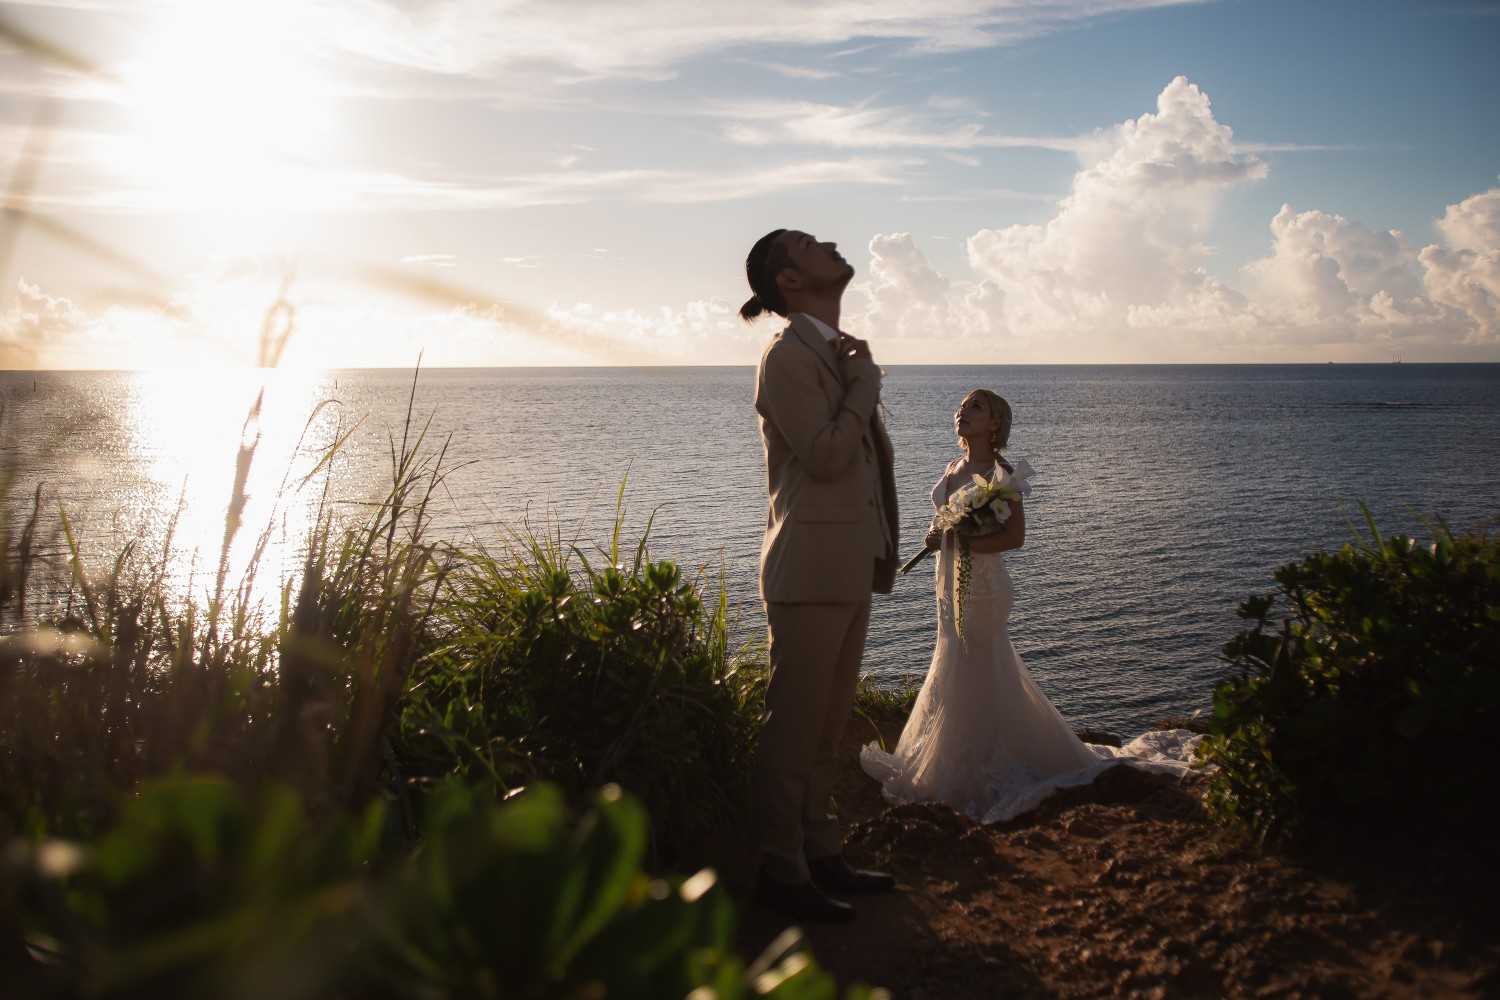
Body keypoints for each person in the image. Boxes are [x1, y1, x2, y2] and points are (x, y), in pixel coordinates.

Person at [860, 389, 1198, 823]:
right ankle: (960, 752)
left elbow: (1013, 538)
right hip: (947, 583)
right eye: (962, 406)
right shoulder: (953, 466)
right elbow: (944, 519)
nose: (963, 411)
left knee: (976, 661)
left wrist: (952, 539)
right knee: (953, 658)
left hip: (982, 587)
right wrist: (939, 534)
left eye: (975, 407)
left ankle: (975, 767)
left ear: (996, 422)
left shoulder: (1001, 475)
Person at [740, 229, 900, 923]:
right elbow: (831, 457)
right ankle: (779, 870)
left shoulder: (829, 352)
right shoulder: (786, 358)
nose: (829, 242)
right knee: (793, 729)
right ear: (789, 282)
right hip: (807, 569)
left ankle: (819, 849)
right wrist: (866, 381)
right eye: (809, 243)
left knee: (828, 726)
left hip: (845, 566)